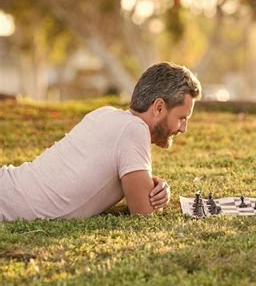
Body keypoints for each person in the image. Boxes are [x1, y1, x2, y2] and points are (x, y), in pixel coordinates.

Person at [0, 62, 201, 221]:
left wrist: (152, 186)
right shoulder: (134, 130)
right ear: (158, 107)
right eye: (182, 118)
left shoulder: (105, 114)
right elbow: (143, 212)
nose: (183, 128)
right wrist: (156, 196)